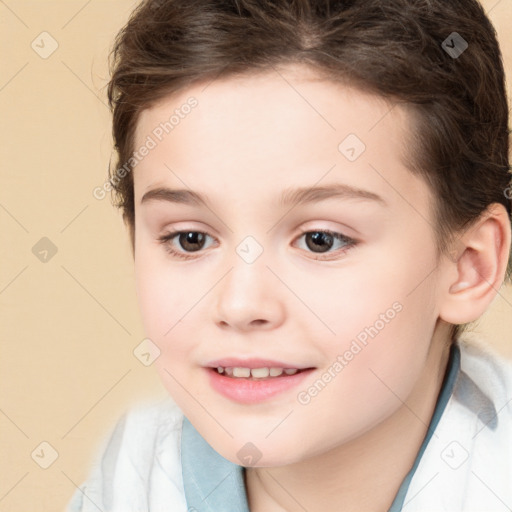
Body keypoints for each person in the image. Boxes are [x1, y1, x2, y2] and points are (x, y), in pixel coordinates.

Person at [70, 0, 512, 510]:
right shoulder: (125, 484)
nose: (239, 305)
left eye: (320, 240)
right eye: (190, 238)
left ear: (469, 266)